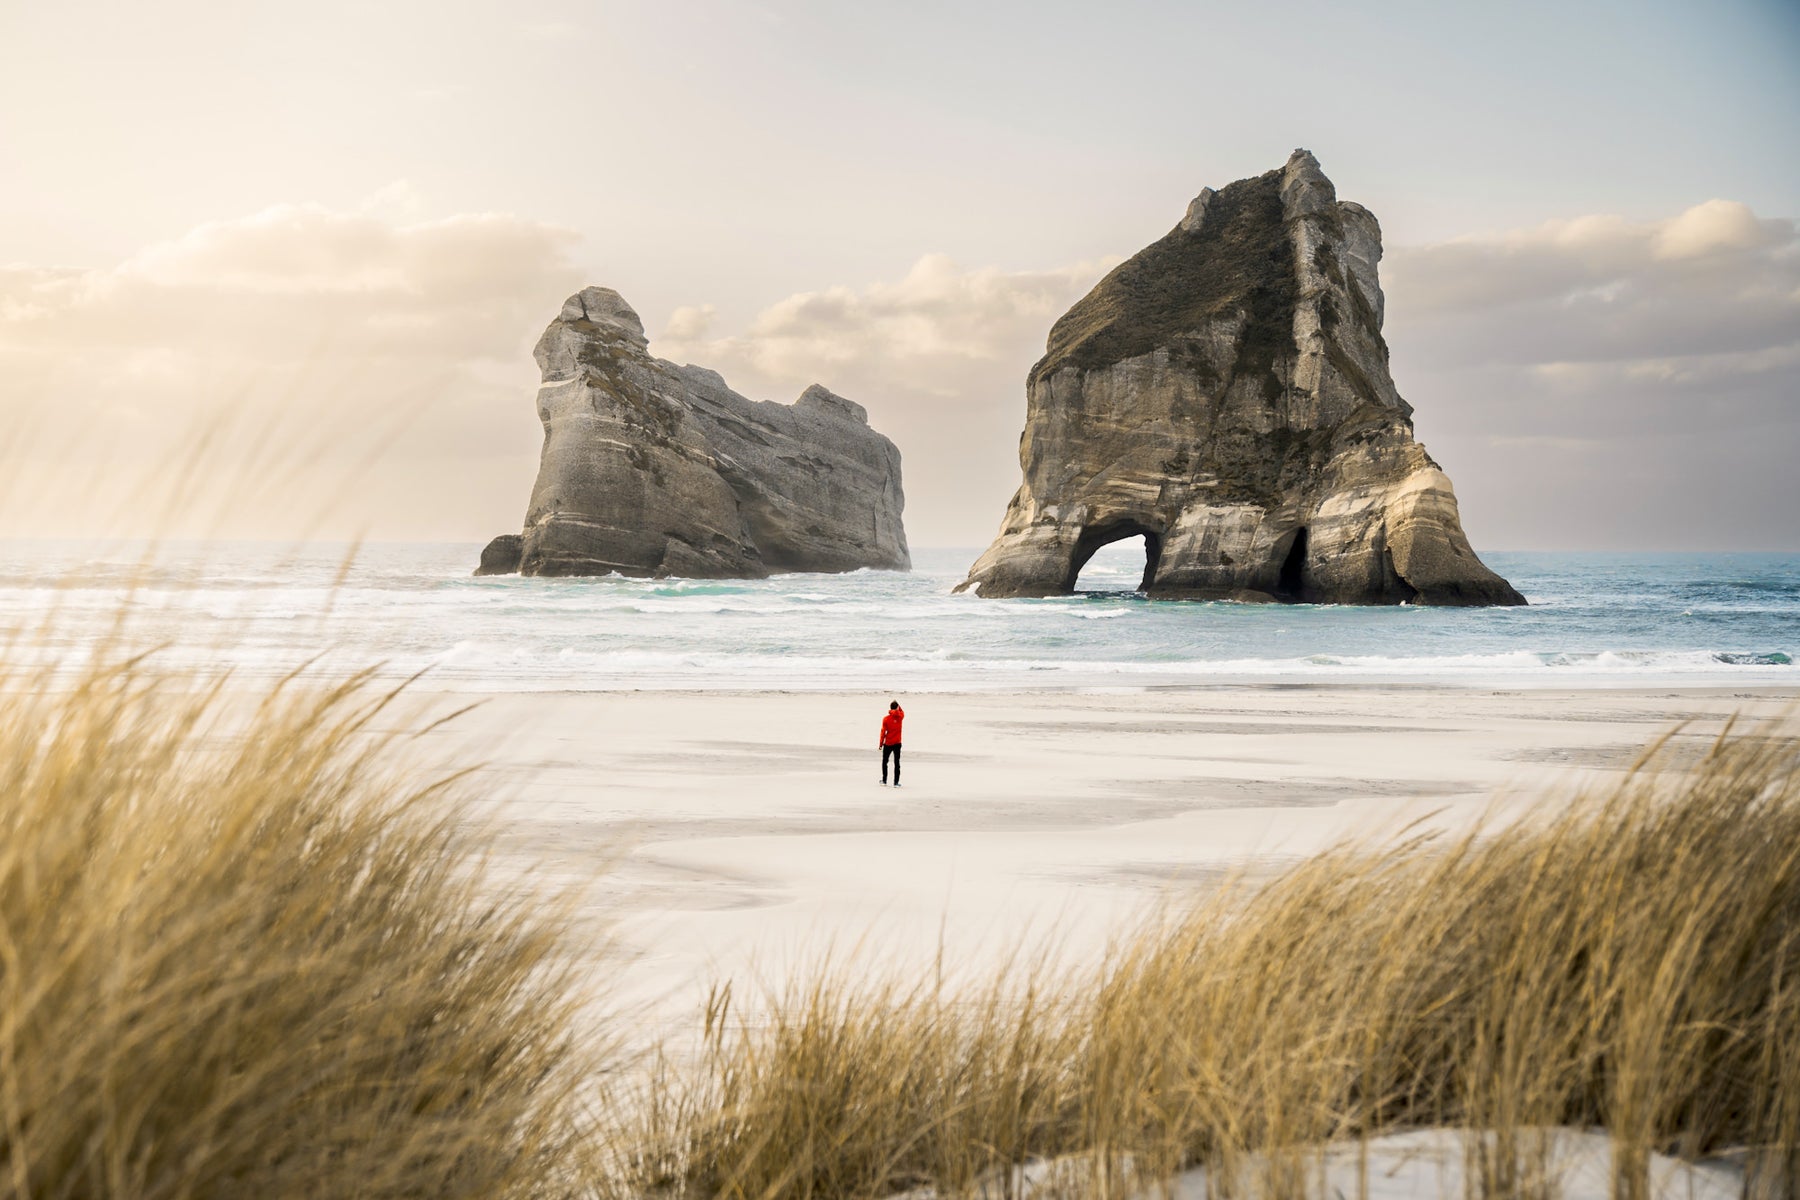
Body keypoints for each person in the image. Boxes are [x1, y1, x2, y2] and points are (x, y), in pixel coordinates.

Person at [878, 700, 904, 786]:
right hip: (897, 743)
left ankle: (884, 780)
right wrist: (898, 706)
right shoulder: (900, 717)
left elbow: (883, 732)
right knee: (897, 763)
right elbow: (902, 711)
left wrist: (881, 744)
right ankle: (896, 783)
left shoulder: (886, 719)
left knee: (885, 761)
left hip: (888, 743)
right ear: (897, 708)